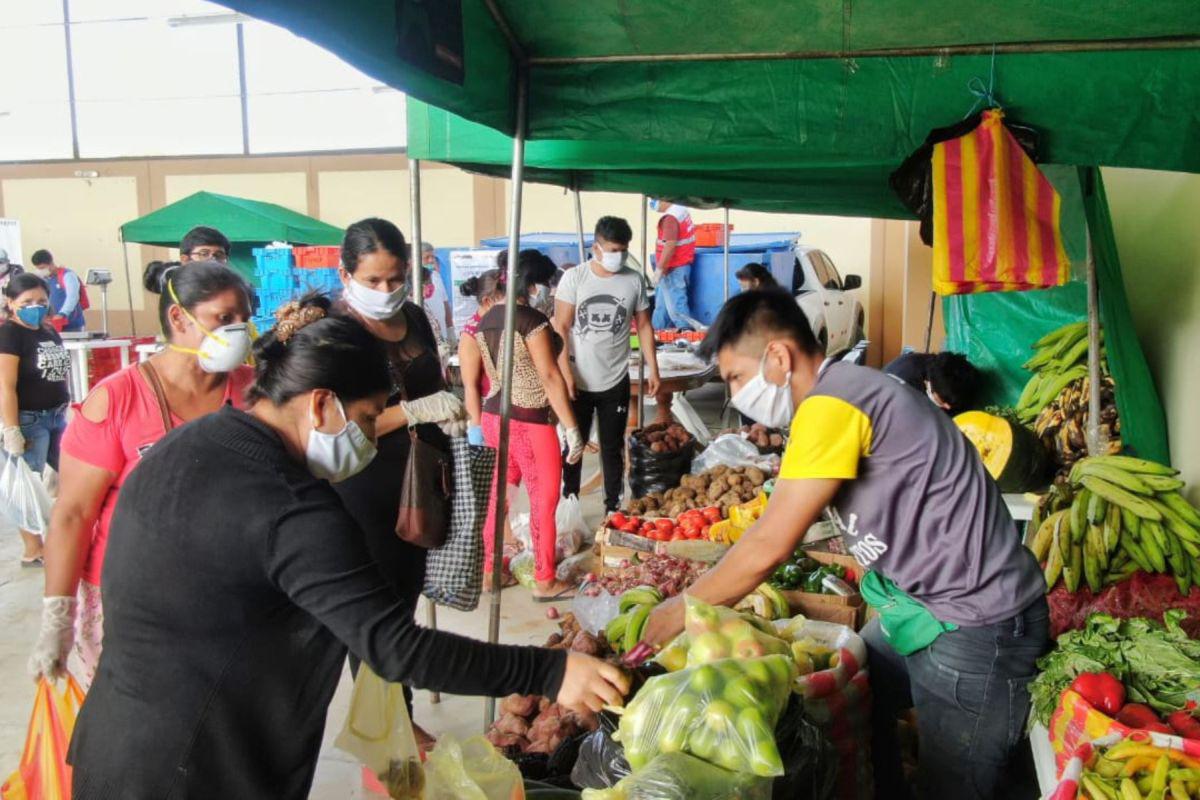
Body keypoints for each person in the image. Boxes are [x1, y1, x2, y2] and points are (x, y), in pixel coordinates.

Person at [63, 297, 629, 799]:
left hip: (111, 745)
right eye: (362, 418)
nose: (365, 433)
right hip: (202, 767)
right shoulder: (291, 504)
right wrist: (550, 671)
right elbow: (395, 648)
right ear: (319, 404)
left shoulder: (185, 445)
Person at [642, 289, 1048, 800]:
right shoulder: (846, 392)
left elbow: (770, 542)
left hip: (976, 623)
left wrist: (685, 607)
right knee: (856, 678)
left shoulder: (833, 404)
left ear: (779, 357)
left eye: (736, 378)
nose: (736, 394)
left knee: (954, 786)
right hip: (924, 607)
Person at [29, 260, 255, 688]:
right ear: (178, 318)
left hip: (228, 592)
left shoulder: (252, 392)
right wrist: (58, 616)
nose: (238, 330)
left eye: (244, 319)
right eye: (224, 319)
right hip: (131, 600)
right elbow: (74, 513)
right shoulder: (117, 399)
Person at [331, 217, 468, 749]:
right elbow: (335, 424)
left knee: (404, 602)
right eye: (373, 281)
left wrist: (444, 408)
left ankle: (392, 710)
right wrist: (410, 411)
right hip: (359, 486)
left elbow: (435, 380)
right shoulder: (335, 330)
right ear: (347, 274)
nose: (387, 292)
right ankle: (390, 723)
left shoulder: (412, 317)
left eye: (395, 279)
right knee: (373, 613)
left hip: (419, 480)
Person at [460, 249, 584, 599]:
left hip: (493, 416)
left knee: (500, 495)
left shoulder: (485, 320)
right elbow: (548, 375)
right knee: (543, 500)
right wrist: (571, 427)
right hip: (529, 420)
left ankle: (489, 570)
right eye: (542, 284)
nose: (544, 291)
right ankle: (545, 579)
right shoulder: (531, 321)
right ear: (530, 284)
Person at [554, 216, 660, 514]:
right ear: (596, 247)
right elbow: (560, 328)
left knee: (613, 448)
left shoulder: (633, 279)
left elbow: (645, 326)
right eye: (613, 249)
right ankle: (569, 503)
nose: (619, 256)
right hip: (577, 379)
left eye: (623, 250)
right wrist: (565, 374)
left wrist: (654, 368)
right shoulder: (575, 278)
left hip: (615, 378)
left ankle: (612, 507)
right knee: (574, 446)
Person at [0, 274, 70, 566]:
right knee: (27, 485)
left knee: (74, 473)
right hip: (30, 420)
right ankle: (34, 549)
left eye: (41, 301)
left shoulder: (48, 331)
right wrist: (11, 428)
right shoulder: (10, 334)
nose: (36, 307)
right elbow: (5, 384)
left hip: (57, 417)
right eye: (27, 302)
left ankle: (63, 534)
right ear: (10, 303)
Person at [648, 198, 702, 332]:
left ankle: (685, 331)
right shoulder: (680, 210)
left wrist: (660, 269)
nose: (652, 203)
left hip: (672, 268)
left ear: (664, 198)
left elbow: (670, 245)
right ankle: (656, 332)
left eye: (654, 199)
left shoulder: (670, 218)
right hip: (680, 265)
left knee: (676, 305)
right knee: (662, 306)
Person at [883, 349, 982, 415]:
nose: (947, 406)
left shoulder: (940, 366)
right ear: (928, 384)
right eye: (944, 403)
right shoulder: (906, 402)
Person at [30, 250, 85, 333]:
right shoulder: (46, 279)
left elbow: (72, 297)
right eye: (38, 269)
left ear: (51, 264)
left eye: (42, 268)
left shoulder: (67, 275)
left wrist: (63, 313)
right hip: (53, 324)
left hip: (71, 324)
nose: (40, 271)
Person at [419, 241, 455, 345]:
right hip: (426, 337)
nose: (431, 260)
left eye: (433, 257)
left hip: (442, 336)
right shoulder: (413, 280)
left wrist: (450, 330)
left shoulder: (436, 276)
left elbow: (445, 304)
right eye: (427, 257)